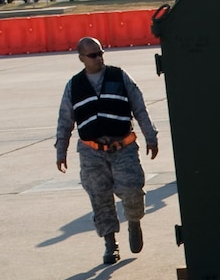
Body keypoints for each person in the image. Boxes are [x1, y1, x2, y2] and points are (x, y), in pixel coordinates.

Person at [54, 37, 159, 266]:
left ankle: (134, 221)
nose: (99, 58)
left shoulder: (119, 77)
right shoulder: (74, 85)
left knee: (131, 190)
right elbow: (65, 120)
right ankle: (111, 245)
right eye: (93, 55)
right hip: (92, 152)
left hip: (123, 147)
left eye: (101, 53)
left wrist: (151, 136)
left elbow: (140, 107)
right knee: (100, 198)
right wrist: (60, 149)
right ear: (81, 58)